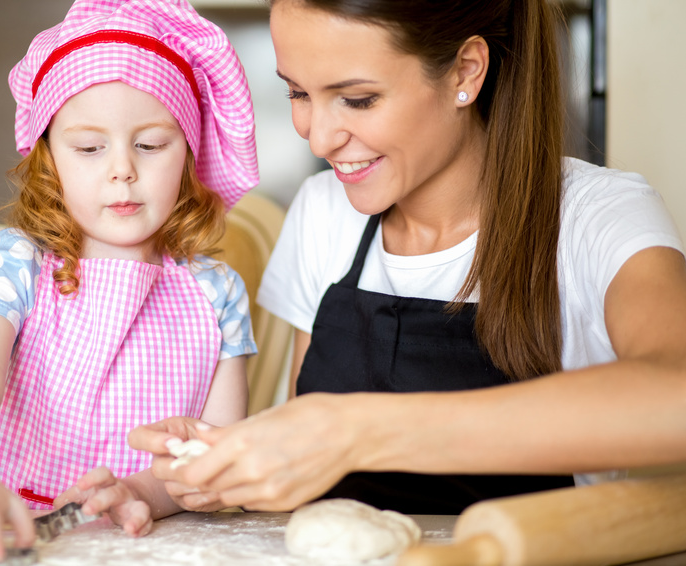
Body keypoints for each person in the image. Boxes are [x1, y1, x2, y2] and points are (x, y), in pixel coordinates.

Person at [128, 0, 686, 517]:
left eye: (358, 99)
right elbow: (305, 458)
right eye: (297, 93)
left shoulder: (598, 217)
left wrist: (357, 430)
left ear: (466, 71)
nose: (318, 139)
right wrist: (220, 464)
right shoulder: (323, 212)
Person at [0, 0, 259, 560]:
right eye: (90, 148)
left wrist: (141, 491)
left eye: (150, 144)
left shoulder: (218, 293)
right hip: (21, 533)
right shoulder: (19, 261)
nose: (122, 168)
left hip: (160, 542)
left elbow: (214, 453)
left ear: (189, 154)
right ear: (51, 160)